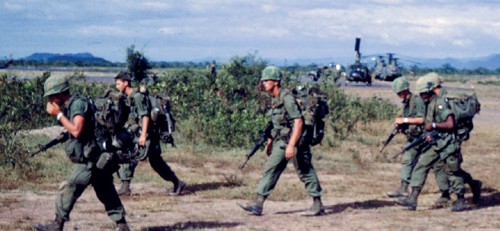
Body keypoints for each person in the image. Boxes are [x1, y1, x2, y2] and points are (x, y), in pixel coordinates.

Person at [34, 76, 129, 231]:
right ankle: (122, 225)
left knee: (70, 186)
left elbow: (77, 130)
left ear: (59, 93)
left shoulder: (77, 104)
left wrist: (58, 115)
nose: (50, 99)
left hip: (91, 159)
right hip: (98, 156)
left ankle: (57, 225)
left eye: (51, 96)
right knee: (105, 189)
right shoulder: (73, 104)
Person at [238, 66, 324, 216]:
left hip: (296, 142)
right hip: (281, 141)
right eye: (263, 80)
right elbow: (276, 123)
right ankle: (258, 203)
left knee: (304, 171)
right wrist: (270, 141)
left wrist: (291, 145)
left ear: (275, 82)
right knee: (270, 169)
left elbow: (298, 122)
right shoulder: (275, 99)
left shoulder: (287, 98)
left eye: (266, 80)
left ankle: (317, 204)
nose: (263, 83)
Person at [396, 75, 470, 212]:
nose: (421, 96)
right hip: (436, 143)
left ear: (429, 91)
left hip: (448, 144)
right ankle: (412, 199)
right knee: (421, 166)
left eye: (423, 93)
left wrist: (434, 125)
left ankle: (461, 200)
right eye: (420, 93)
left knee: (453, 171)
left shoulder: (440, 103)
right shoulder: (429, 104)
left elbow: (450, 124)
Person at [114, 71, 186, 196]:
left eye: (118, 84)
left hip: (147, 134)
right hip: (142, 133)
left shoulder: (137, 96)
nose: (117, 86)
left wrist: (143, 135)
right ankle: (126, 187)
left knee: (148, 160)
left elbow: (145, 116)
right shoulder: (128, 97)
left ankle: (177, 183)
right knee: (137, 157)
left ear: (126, 83)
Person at [387, 77, 449, 200]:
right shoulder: (407, 102)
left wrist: (404, 120)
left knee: (437, 166)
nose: (399, 95)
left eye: (400, 93)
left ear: (405, 90)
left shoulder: (417, 100)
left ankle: (447, 192)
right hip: (416, 138)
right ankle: (404, 188)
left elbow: (422, 119)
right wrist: (403, 126)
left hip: (425, 138)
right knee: (411, 161)